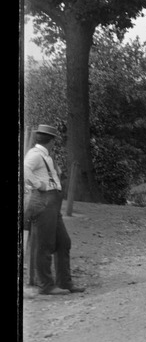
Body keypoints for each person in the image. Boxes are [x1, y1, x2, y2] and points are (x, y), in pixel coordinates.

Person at [23, 124, 84, 296]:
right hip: (43, 201)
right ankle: (45, 285)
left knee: (64, 242)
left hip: (52, 202)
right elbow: (24, 169)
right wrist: (38, 184)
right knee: (45, 244)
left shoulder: (45, 156)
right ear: (52, 141)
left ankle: (64, 281)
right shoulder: (35, 155)